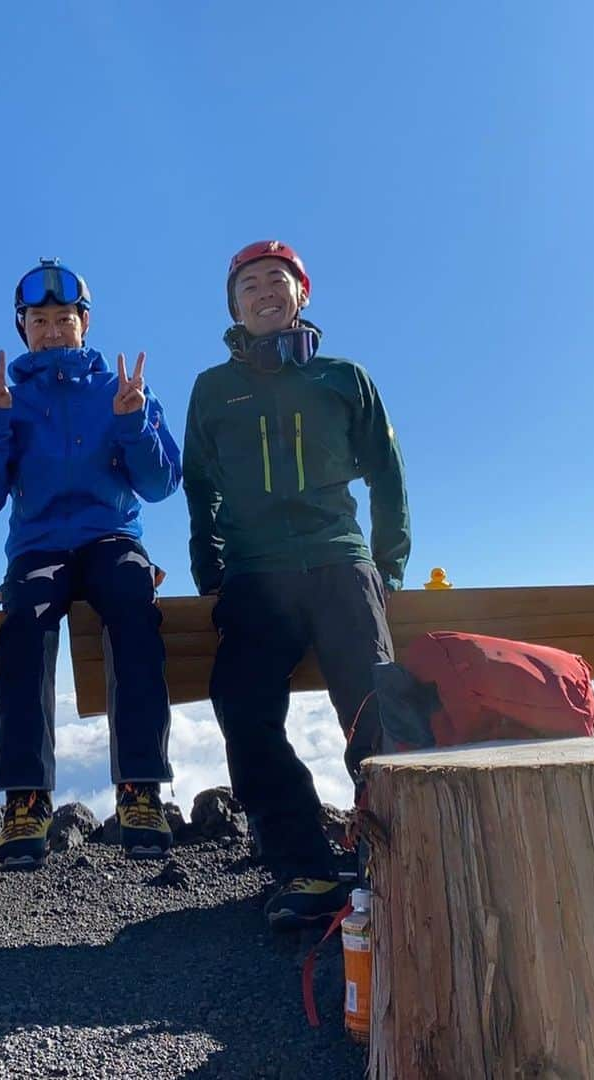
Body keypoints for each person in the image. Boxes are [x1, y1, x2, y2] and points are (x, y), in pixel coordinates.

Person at [183, 240, 410, 929]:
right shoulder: (214, 388)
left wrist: (387, 562)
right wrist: (208, 564)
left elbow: (387, 470)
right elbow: (200, 485)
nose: (264, 291)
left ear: (301, 294)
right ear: (235, 304)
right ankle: (303, 865)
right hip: (256, 572)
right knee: (242, 706)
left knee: (374, 706)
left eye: (277, 280)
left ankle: (397, 855)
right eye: (249, 284)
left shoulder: (345, 377)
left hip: (340, 563)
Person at [0, 258, 182, 869]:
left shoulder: (118, 389)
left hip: (111, 535)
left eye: (64, 318)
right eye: (40, 320)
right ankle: (26, 800)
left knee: (134, 599)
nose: (53, 330)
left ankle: (141, 790)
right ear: (23, 329)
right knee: (26, 620)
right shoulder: (9, 397)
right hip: (38, 546)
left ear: (85, 324)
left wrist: (133, 420)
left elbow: (161, 484)